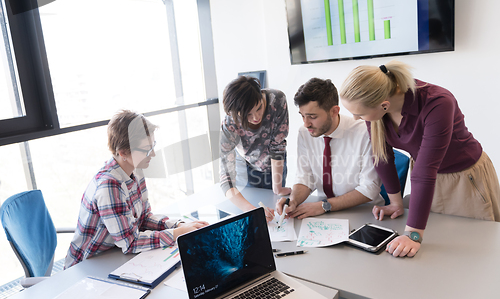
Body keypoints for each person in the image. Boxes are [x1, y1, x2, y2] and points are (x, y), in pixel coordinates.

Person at [339, 60, 500, 258]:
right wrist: (395, 202)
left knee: (471, 251)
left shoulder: (438, 102)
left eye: (359, 114)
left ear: (384, 105)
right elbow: (382, 156)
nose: (356, 118)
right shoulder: (377, 109)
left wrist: (413, 235)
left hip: (464, 179)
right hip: (428, 179)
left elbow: (425, 171)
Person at [65, 110, 208, 268]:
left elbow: (144, 219)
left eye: (153, 146)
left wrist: (178, 225)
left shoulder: (135, 170)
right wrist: (176, 235)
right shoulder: (109, 186)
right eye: (147, 149)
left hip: (113, 256)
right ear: (123, 152)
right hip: (87, 266)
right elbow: (130, 242)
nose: (153, 154)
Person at [275, 78, 383, 220]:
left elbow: (369, 188)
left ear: (334, 111)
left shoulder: (365, 132)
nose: (306, 124)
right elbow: (305, 177)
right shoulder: (304, 132)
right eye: (302, 116)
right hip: (324, 213)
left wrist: (324, 206)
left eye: (312, 117)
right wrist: (293, 200)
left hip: (365, 213)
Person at [220, 76, 291, 219]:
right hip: (245, 167)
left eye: (259, 108)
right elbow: (226, 178)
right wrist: (251, 210)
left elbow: (277, 146)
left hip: (274, 164)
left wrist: (277, 187)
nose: (256, 117)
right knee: (250, 217)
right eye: (248, 114)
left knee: (276, 214)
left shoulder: (277, 100)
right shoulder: (229, 123)